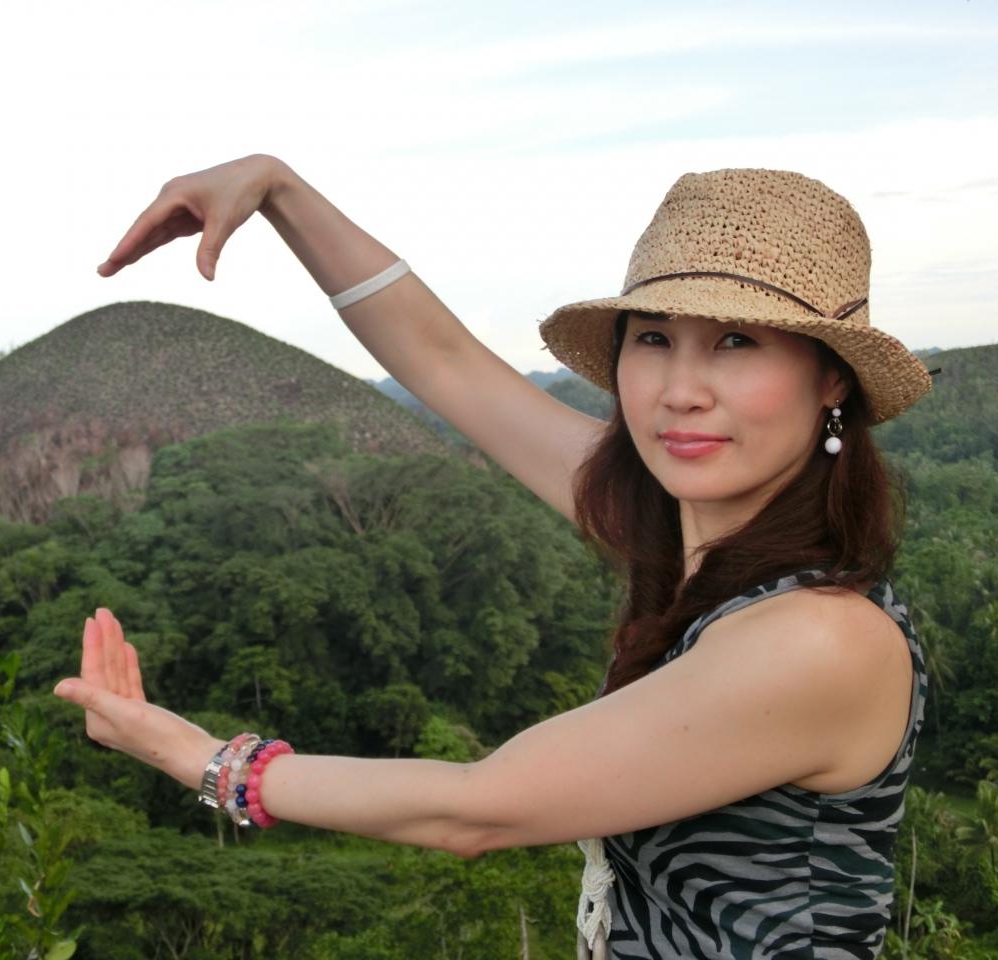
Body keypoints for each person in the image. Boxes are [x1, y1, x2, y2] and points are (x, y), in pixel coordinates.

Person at [52, 155, 934, 959]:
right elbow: (449, 367)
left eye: (737, 342)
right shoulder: (679, 530)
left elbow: (475, 810)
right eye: (654, 338)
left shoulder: (822, 640)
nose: (680, 391)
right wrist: (279, 189)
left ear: (832, 378)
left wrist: (202, 758)